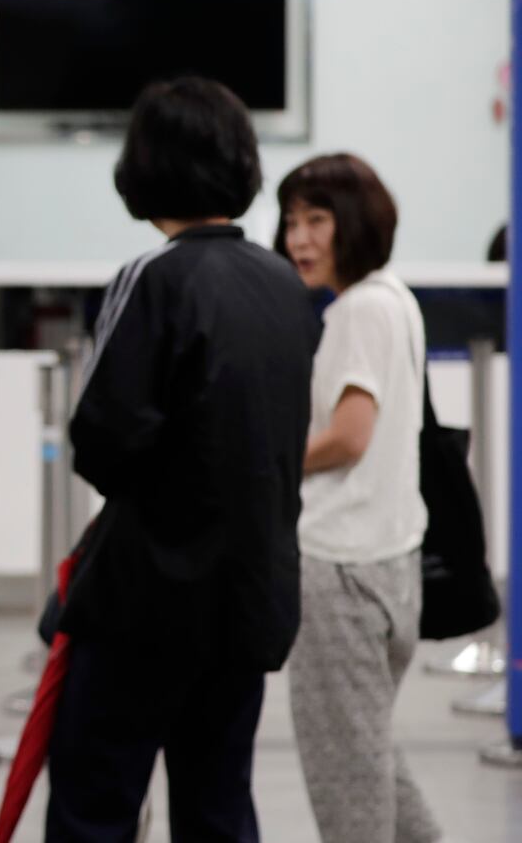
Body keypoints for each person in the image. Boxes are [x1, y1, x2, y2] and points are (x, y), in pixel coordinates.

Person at [45, 77, 318, 842]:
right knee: (219, 806)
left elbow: (102, 439)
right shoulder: (284, 285)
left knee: (96, 805)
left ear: (144, 168)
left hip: (147, 603)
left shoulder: (153, 277)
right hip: (250, 599)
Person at [273, 154, 441, 843]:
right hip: (390, 568)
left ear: (356, 223)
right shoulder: (395, 298)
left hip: (340, 572)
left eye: (318, 220)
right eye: (290, 222)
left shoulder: (357, 312)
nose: (300, 240)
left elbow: (348, 437)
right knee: (370, 758)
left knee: (349, 794)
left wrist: (267, 463)